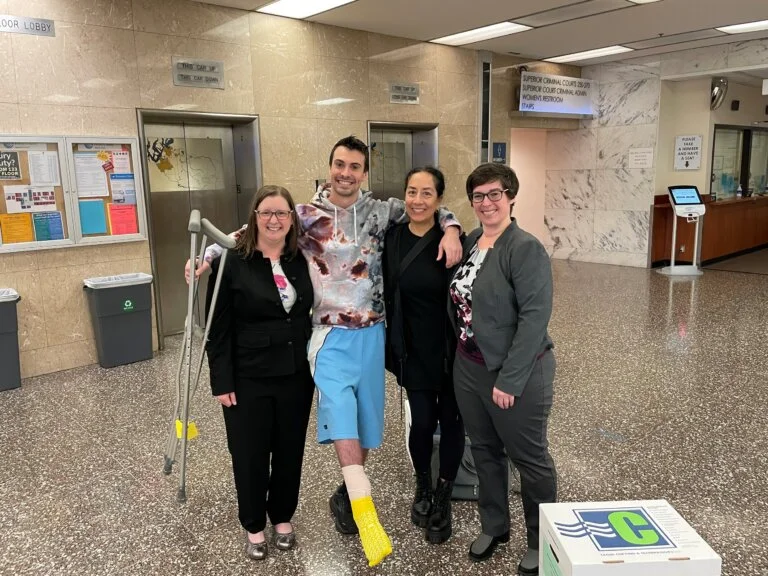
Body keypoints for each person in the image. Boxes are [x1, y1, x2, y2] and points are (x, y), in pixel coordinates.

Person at [190, 136, 463, 567]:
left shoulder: (381, 210)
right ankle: (363, 507)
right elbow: (246, 233)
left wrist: (450, 228)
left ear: (364, 173)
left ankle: (346, 492)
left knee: (367, 425)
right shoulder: (304, 215)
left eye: (355, 166)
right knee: (339, 409)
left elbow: (427, 206)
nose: (346, 173)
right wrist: (207, 255)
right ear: (329, 165)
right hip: (327, 334)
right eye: (340, 164)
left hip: (373, 334)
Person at [448, 163, 556, 575]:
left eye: (495, 194)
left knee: (530, 458)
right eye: (478, 196)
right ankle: (495, 526)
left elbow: (535, 317)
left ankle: (540, 538)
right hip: (470, 367)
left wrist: (510, 379)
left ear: (510, 196)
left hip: (518, 372)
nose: (487, 202)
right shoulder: (474, 241)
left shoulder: (524, 247)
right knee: (485, 451)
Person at [205, 185, 315, 561]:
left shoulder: (300, 259)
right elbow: (216, 329)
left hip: (296, 375)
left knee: (289, 450)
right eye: (266, 212)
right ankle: (253, 524)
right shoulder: (231, 262)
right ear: (253, 217)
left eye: (281, 213)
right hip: (247, 377)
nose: (274, 220)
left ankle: (282, 516)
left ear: (291, 219)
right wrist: (221, 381)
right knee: (249, 454)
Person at [382, 167, 464, 545]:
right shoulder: (392, 237)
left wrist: (451, 229)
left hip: (450, 349)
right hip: (412, 347)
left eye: (427, 193)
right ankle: (423, 485)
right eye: (412, 192)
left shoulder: (453, 241)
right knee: (421, 421)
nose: (417, 200)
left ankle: (445, 493)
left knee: (450, 420)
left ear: (439, 199)